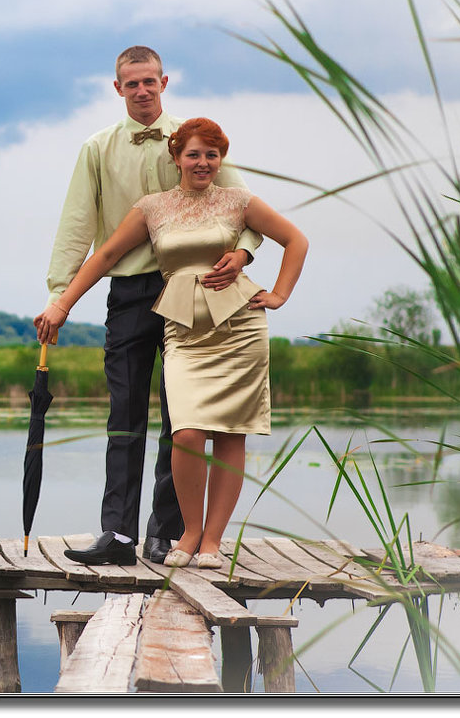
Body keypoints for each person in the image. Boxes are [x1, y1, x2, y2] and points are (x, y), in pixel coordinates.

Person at [37, 117, 308, 568]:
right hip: (183, 330)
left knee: (229, 434)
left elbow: (295, 239)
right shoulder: (152, 208)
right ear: (177, 158)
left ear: (221, 160)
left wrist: (278, 294)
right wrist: (60, 303)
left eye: (211, 155)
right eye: (194, 155)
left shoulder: (239, 200)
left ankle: (211, 543)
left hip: (237, 326)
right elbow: (103, 254)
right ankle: (188, 533)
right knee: (185, 433)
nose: (203, 163)